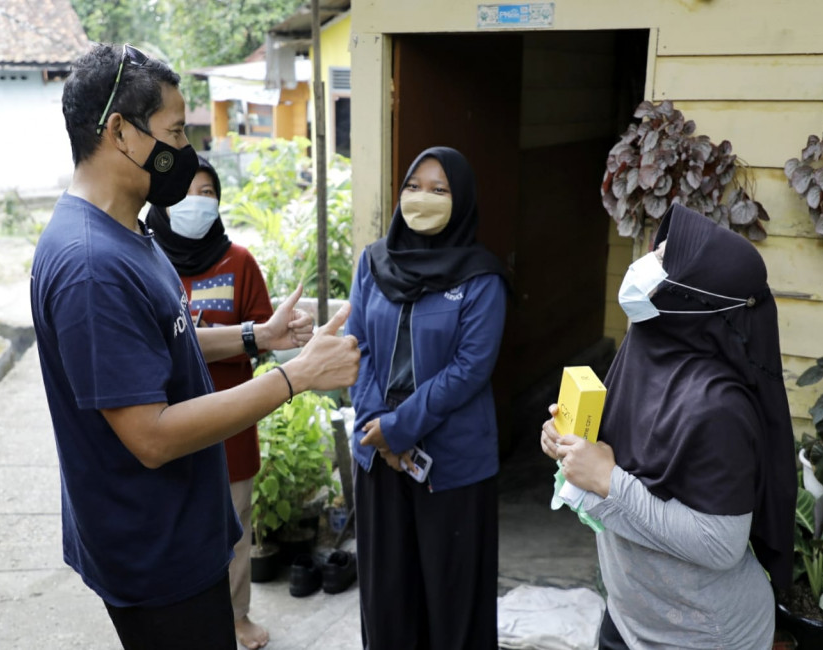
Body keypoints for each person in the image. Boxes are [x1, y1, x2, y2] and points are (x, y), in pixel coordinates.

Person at [30, 43, 359, 650]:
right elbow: (150, 435)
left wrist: (257, 337)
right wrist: (296, 377)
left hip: (183, 532)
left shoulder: (127, 227)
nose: (186, 151)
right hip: (155, 554)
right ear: (119, 131)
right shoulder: (91, 265)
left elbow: (164, 341)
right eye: (176, 131)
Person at [540, 203, 796, 649]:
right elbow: (616, 461)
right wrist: (570, 447)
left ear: (697, 298)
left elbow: (721, 546)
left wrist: (607, 481)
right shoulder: (645, 345)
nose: (646, 261)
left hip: (699, 634)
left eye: (664, 259)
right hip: (629, 612)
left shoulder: (720, 407)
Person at [346, 146, 509, 649]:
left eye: (440, 190)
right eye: (414, 186)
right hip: (378, 457)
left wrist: (399, 429)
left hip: (453, 463)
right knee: (388, 594)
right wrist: (378, 425)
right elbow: (356, 347)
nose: (423, 198)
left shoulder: (482, 277)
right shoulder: (373, 263)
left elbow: (469, 369)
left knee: (453, 600)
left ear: (460, 202)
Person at [146, 157, 272, 649]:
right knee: (177, 528)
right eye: (186, 192)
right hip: (167, 422)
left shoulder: (238, 260)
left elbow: (262, 334)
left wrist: (241, 341)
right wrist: (235, 339)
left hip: (232, 422)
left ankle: (237, 617)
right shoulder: (148, 260)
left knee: (236, 529)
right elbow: (155, 342)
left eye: (207, 193)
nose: (197, 202)